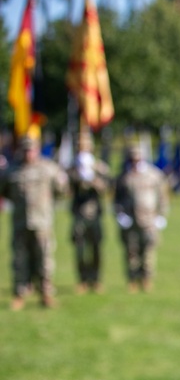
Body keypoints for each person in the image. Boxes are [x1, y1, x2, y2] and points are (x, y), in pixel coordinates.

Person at [0, 134, 68, 310]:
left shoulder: (48, 169)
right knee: (19, 260)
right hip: (20, 223)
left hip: (42, 223)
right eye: (25, 149)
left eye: (31, 149)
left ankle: (45, 294)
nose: (28, 153)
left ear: (37, 149)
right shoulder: (11, 171)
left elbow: (61, 191)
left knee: (44, 259)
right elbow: (5, 192)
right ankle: (19, 294)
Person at [113, 143, 169, 293]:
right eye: (132, 159)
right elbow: (116, 199)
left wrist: (161, 216)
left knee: (148, 252)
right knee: (131, 252)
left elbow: (162, 198)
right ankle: (132, 280)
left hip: (149, 220)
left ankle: (146, 279)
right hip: (130, 220)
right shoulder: (124, 177)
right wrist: (120, 215)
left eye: (138, 158)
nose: (135, 161)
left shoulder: (154, 175)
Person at [68, 132, 112, 293]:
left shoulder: (99, 166)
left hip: (95, 214)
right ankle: (82, 280)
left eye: (86, 145)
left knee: (96, 248)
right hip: (78, 214)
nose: (83, 148)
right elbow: (66, 187)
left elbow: (106, 187)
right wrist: (78, 175)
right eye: (80, 146)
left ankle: (96, 279)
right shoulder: (72, 167)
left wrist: (93, 177)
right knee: (79, 249)